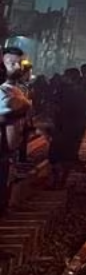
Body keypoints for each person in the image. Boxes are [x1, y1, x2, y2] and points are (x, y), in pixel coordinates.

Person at [50, 68, 86, 188]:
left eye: (65, 76)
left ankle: (57, 181)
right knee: (68, 155)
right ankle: (62, 181)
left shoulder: (63, 91)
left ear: (70, 78)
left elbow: (55, 107)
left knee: (56, 155)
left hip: (64, 127)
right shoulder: (81, 91)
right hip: (75, 127)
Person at [0, 63, 31, 216]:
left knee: (6, 172)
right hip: (5, 143)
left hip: (7, 142)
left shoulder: (9, 91)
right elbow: (20, 107)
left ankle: (4, 205)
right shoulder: (6, 91)